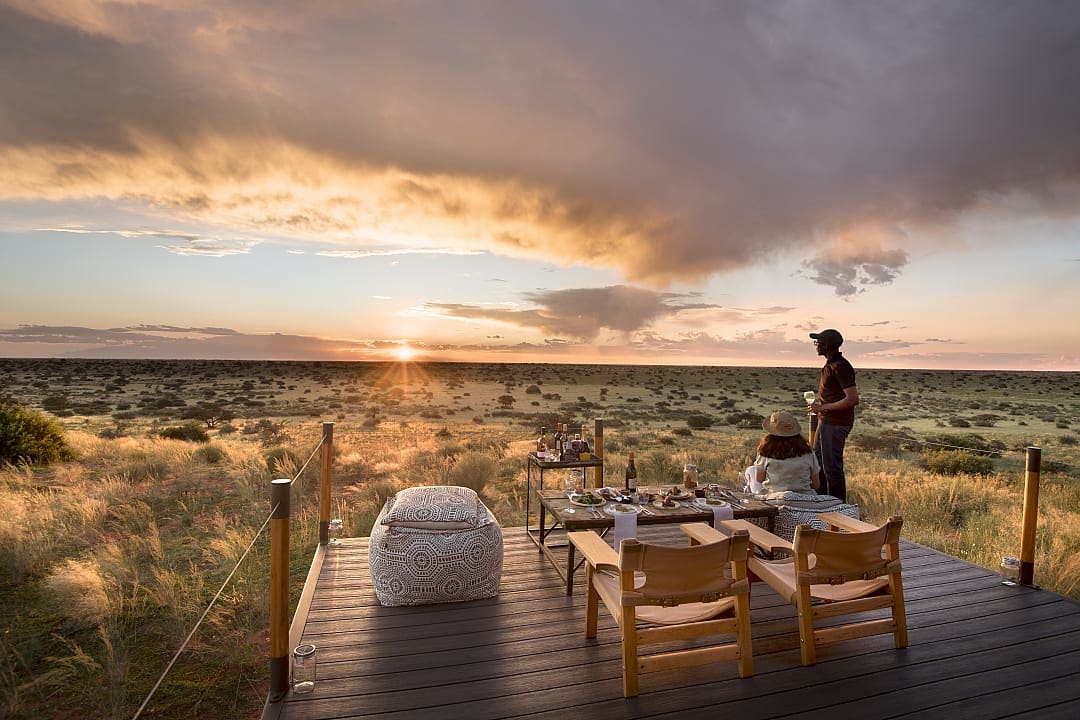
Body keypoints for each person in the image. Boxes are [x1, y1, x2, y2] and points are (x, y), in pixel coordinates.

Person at [808, 328, 859, 501]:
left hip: (835, 422)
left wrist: (823, 408)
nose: (816, 345)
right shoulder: (831, 364)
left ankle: (838, 508)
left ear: (827, 345)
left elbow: (852, 399)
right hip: (827, 421)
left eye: (818, 342)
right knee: (819, 465)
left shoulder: (840, 366)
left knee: (832, 467)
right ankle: (821, 503)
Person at [751, 411, 820, 494]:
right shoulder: (808, 452)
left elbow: (759, 478)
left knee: (751, 470)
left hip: (775, 498)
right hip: (805, 497)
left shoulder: (766, 451)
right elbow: (816, 485)